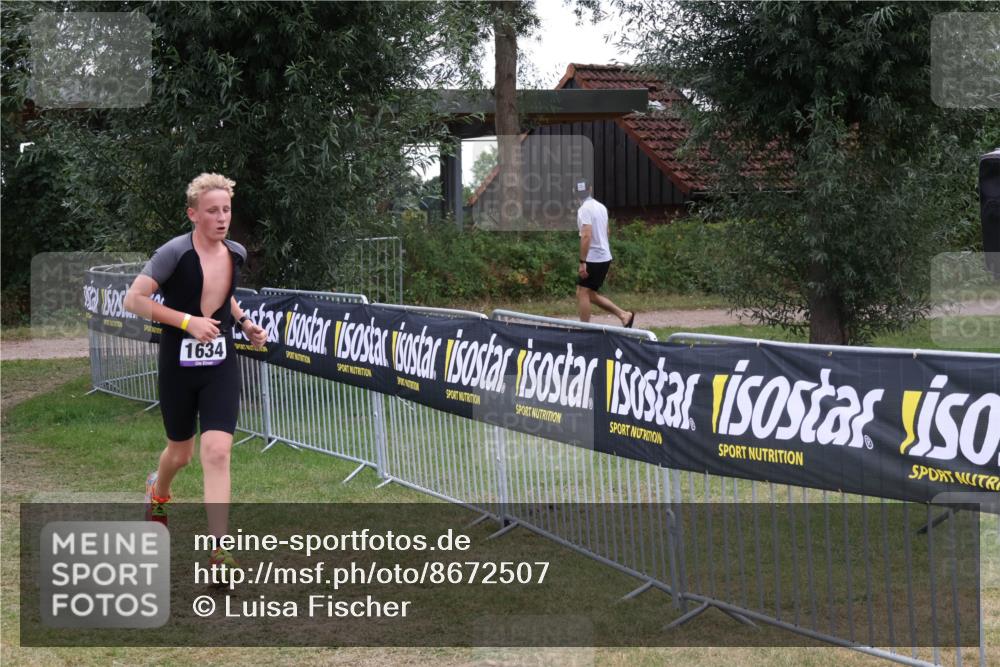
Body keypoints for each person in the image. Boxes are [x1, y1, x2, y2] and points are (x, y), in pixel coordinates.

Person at [124, 173, 267, 573]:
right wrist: (187, 322)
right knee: (181, 454)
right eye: (212, 211)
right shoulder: (173, 253)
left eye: (226, 210)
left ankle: (220, 552)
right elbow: (133, 300)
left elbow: (227, 297)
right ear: (193, 215)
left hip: (220, 363)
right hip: (179, 366)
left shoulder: (234, 252)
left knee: (217, 451)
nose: (221, 218)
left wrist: (245, 324)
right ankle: (158, 490)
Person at [574, 180, 635, 327]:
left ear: (575, 192)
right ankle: (624, 315)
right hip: (604, 255)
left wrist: (583, 262)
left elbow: (586, 235)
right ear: (590, 189)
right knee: (591, 295)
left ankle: (584, 330)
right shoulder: (601, 207)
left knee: (582, 292)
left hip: (594, 258)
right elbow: (607, 232)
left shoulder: (584, 210)